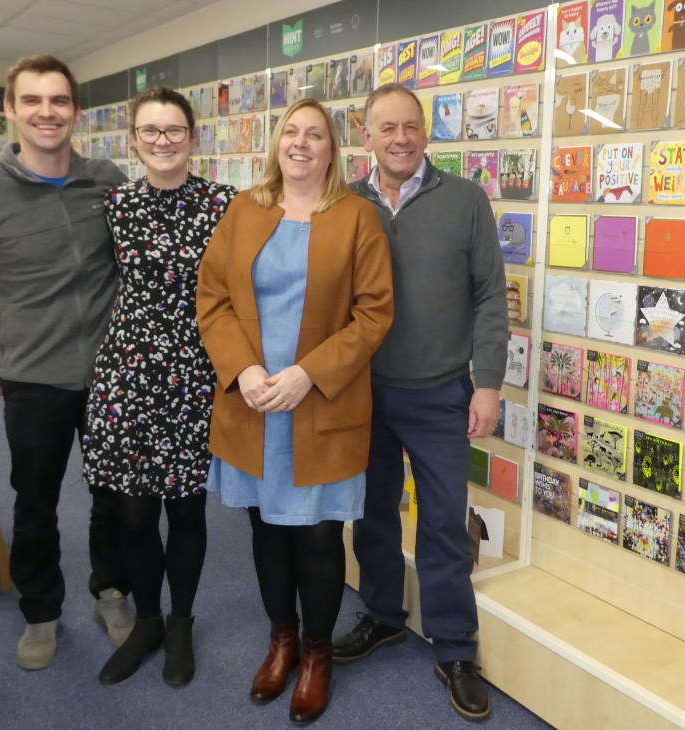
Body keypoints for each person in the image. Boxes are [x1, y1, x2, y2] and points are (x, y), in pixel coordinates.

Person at [196, 97, 393, 724]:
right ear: (276, 144)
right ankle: (280, 639)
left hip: (319, 402)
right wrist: (245, 370)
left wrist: (309, 373)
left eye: (315, 134)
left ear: (333, 150)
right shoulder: (243, 211)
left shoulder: (357, 217)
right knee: (264, 530)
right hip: (254, 403)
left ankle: (315, 654)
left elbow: (374, 314)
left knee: (316, 534)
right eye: (291, 133)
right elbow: (214, 299)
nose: (301, 143)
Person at [0, 55, 132, 671]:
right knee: (36, 503)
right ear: (11, 109)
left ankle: (112, 590)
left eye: (59, 101)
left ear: (75, 111)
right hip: (31, 379)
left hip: (107, 375)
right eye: (33, 100)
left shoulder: (107, 178)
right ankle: (41, 612)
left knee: (113, 498)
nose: (47, 112)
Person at [336, 82, 508, 720]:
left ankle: (456, 648)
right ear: (368, 137)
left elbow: (491, 294)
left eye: (411, 126)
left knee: (441, 522)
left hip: (440, 392)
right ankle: (382, 615)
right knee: (372, 514)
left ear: (426, 133)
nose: (400, 138)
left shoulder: (464, 199)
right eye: (387, 128)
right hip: (362, 393)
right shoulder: (345, 204)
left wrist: (486, 380)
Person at [82, 87, 236, 686]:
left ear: (194, 138)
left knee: (187, 512)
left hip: (197, 378)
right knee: (134, 514)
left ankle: (179, 625)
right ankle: (145, 620)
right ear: (134, 140)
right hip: (129, 374)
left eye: (174, 130)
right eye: (150, 131)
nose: (163, 141)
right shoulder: (114, 205)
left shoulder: (227, 205)